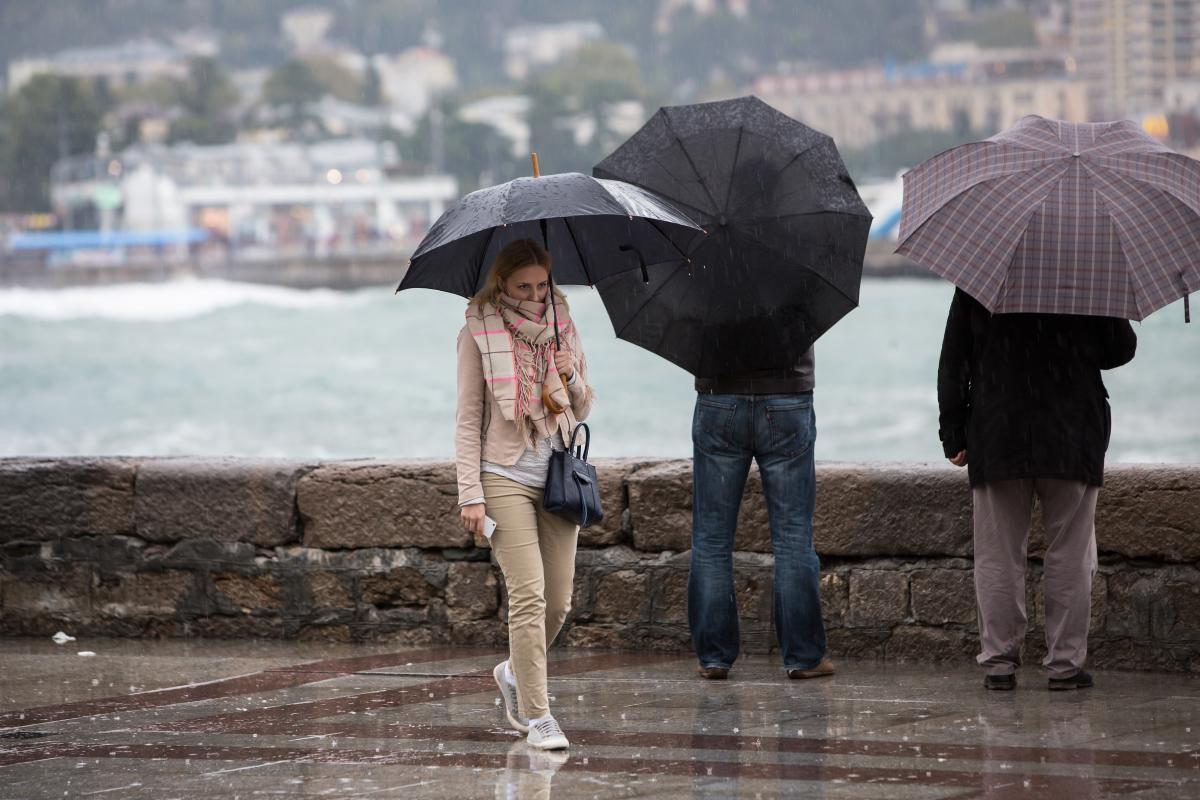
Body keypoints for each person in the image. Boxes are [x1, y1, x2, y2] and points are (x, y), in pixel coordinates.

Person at [937, 287, 1137, 691]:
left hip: (998, 431)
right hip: (1071, 432)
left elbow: (954, 357)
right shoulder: (1086, 271)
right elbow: (1119, 349)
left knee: (997, 554)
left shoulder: (982, 275)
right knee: (1071, 553)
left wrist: (953, 431)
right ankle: (1065, 665)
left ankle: (999, 665)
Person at [455, 238, 593, 750]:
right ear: (502, 285)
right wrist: (471, 493)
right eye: (523, 287)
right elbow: (469, 418)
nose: (535, 295)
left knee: (558, 602)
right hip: (503, 475)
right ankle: (538, 717)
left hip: (557, 474)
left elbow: (582, 404)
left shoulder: (561, 323)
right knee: (529, 596)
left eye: (542, 284)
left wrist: (569, 372)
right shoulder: (479, 331)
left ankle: (514, 671)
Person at [689, 347, 834, 681]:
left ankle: (714, 656)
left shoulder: (708, 290)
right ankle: (804, 656)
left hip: (718, 395)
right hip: (787, 395)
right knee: (793, 535)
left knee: (711, 538)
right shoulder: (800, 289)